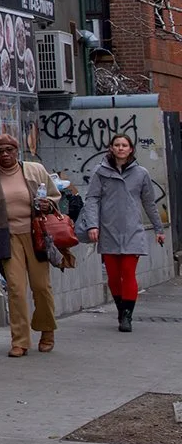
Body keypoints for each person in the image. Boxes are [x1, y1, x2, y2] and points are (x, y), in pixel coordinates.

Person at [0, 133, 59, 357]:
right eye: (0, 152)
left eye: (10, 150)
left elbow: (54, 195)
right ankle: (20, 341)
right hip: (7, 238)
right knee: (17, 290)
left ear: (17, 151)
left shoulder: (34, 170)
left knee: (41, 287)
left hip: (35, 234)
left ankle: (47, 331)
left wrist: (49, 204)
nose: (6, 155)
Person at [84, 134, 167, 333]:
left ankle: (127, 317)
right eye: (117, 145)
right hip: (108, 230)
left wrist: (158, 228)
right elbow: (92, 199)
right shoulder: (100, 171)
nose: (121, 148)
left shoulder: (141, 173)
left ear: (131, 149)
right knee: (113, 276)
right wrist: (92, 226)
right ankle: (121, 309)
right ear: (111, 148)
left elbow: (149, 203)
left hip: (133, 231)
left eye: (125, 145)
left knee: (128, 273)